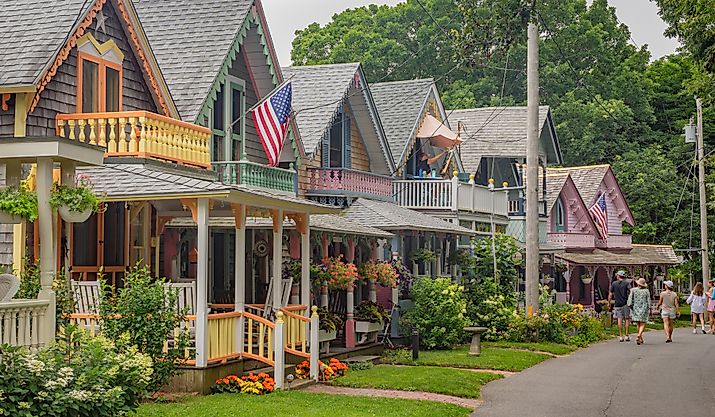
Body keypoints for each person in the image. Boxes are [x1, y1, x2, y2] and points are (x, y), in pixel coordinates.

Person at [608, 270, 632, 342]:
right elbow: (631, 291)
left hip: (617, 303)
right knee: (627, 319)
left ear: (618, 276)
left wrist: (609, 302)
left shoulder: (614, 283)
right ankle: (627, 335)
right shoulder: (627, 283)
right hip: (625, 303)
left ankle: (620, 336)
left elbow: (610, 294)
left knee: (619, 319)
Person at [628, 278, 651, 345]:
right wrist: (649, 307)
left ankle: (640, 337)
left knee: (638, 323)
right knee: (643, 323)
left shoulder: (633, 290)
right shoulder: (646, 291)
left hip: (635, 308)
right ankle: (639, 335)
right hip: (644, 308)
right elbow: (648, 300)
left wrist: (630, 305)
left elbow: (630, 299)